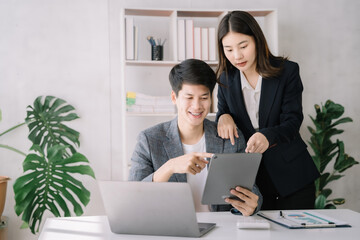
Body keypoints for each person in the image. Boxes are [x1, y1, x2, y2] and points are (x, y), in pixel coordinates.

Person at [129, 59, 262, 216]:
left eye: (204, 98)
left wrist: (253, 205)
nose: (197, 106)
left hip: (221, 230)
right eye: (189, 97)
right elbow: (133, 197)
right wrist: (170, 167)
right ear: (174, 97)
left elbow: (253, 192)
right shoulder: (149, 140)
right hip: (171, 230)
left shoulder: (231, 138)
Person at [215, 11, 320, 210]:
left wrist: (267, 136)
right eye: (228, 49)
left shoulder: (287, 71)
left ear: (257, 40)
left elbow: (292, 121)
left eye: (243, 46)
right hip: (253, 183)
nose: (236, 56)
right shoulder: (225, 79)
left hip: (293, 176)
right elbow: (223, 111)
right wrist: (224, 117)